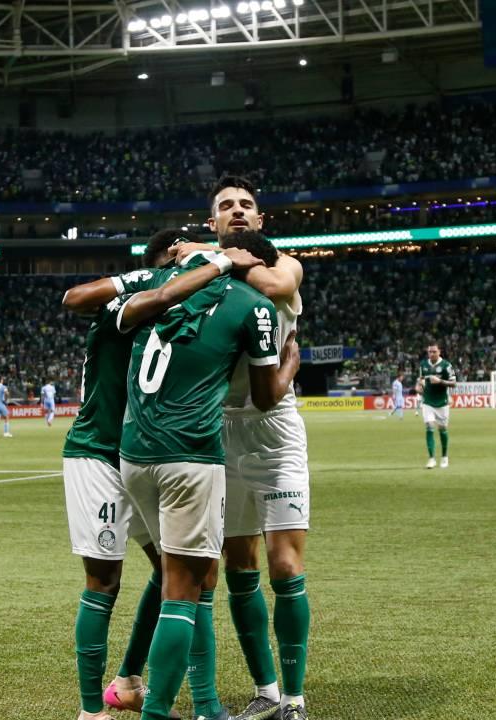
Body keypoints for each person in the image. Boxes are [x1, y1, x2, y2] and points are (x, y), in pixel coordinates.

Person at [60, 229, 265, 720]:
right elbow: (75, 297)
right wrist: (212, 267)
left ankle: (133, 681)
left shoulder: (173, 302)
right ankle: (93, 712)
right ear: (169, 259)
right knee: (104, 580)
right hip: (100, 451)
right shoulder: (143, 295)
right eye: (189, 245)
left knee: (180, 575)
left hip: (140, 452)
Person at [117, 235, 300, 720]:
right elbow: (264, 397)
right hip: (192, 451)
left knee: (176, 578)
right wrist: (292, 363)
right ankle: (173, 711)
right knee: (186, 588)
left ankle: (152, 688)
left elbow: (84, 299)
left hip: (132, 451)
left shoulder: (161, 290)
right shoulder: (252, 304)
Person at [174, 178, 314, 720]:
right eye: (225, 207)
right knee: (240, 565)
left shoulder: (286, 262)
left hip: (277, 431)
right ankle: (267, 689)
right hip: (221, 431)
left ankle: (296, 699)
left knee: (284, 564)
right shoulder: (199, 272)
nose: (236, 211)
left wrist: (217, 256)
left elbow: (278, 285)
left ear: (260, 219)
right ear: (212, 220)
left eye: (245, 205)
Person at [415, 343, 456, 470]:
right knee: (429, 426)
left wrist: (440, 381)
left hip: (442, 402)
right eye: (429, 352)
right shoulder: (423, 365)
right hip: (427, 401)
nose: (431, 354)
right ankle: (431, 459)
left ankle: (444, 457)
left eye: (434, 351)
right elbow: (421, 380)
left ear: (439, 351)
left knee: (442, 428)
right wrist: (419, 386)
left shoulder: (446, 365)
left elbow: (454, 383)